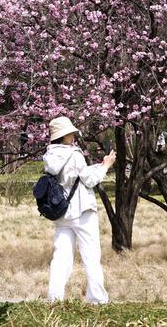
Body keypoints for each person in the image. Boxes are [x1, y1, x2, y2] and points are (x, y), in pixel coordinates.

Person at [42, 116, 115, 304]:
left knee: (61, 257)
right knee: (91, 255)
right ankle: (97, 298)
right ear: (64, 135)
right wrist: (105, 165)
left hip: (62, 212)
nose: (74, 135)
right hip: (82, 210)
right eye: (70, 133)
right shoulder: (73, 154)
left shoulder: (50, 155)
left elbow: (72, 177)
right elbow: (88, 180)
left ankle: (55, 298)